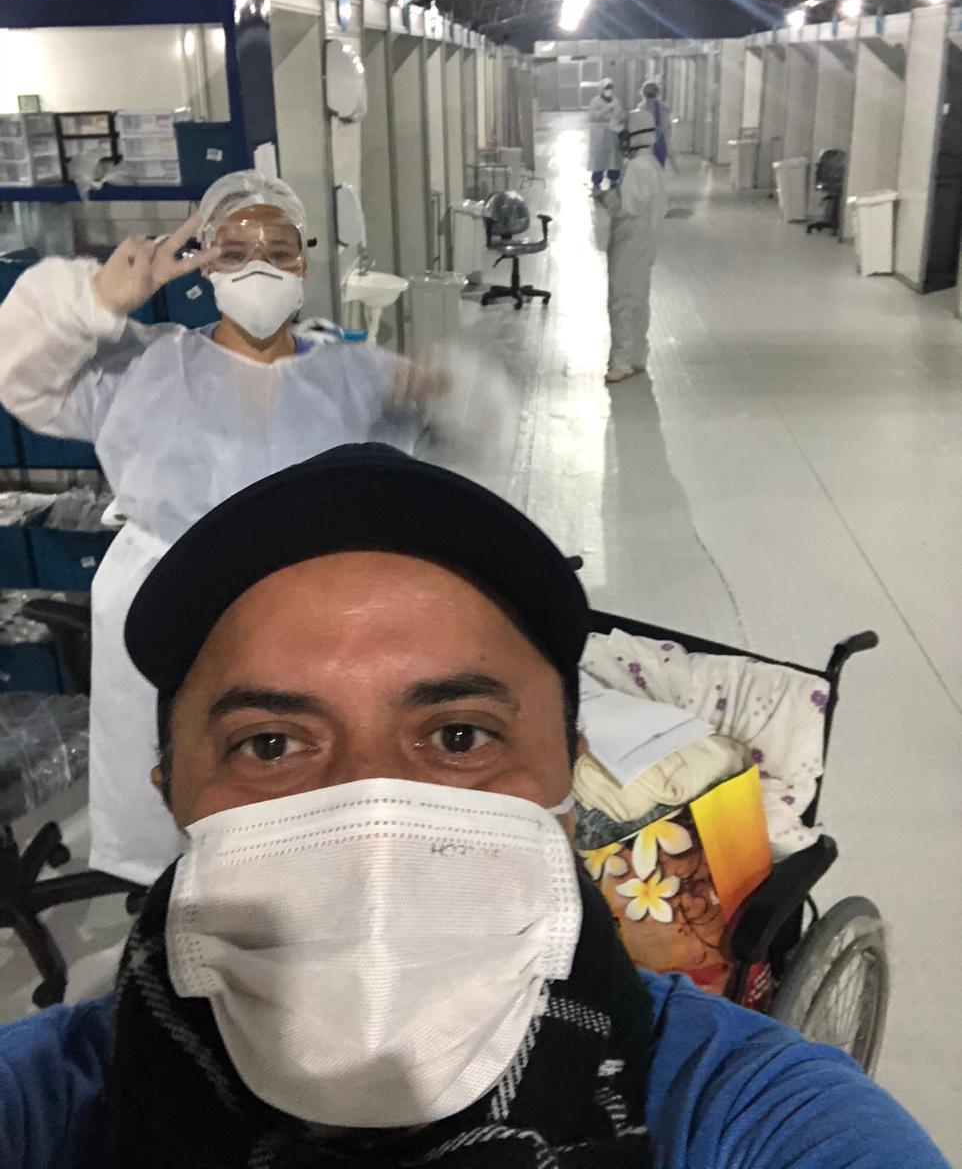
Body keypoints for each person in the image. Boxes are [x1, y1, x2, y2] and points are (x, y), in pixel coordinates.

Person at [0, 443, 948, 1169]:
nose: (372, 814)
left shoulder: (744, 1109)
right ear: (173, 793)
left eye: (459, 737)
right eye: (271, 745)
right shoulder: (43, 1103)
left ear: (567, 782)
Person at [0, 170, 448, 887]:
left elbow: (443, 454)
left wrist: (454, 393)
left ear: (304, 263)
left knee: (299, 786)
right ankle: (175, 904)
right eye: (234, 252)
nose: (258, 267)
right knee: (183, 790)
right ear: (204, 265)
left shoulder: (356, 374)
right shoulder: (141, 363)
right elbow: (20, 376)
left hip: (311, 611)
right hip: (167, 603)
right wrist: (94, 302)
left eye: (278, 249)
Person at [605, 110, 668, 384]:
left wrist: (606, 198)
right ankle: (638, 355)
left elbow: (625, 208)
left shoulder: (637, 168)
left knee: (621, 299)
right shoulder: (651, 164)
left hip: (630, 239)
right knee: (638, 297)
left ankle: (621, 362)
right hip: (645, 239)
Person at [587, 77, 624, 192]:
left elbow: (619, 114)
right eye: (606, 88)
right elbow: (593, 116)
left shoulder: (616, 101)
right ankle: (596, 181)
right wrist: (608, 109)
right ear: (601, 89)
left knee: (613, 158)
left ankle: (614, 180)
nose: (608, 90)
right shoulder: (595, 101)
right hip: (599, 134)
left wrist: (617, 119)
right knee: (599, 158)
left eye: (610, 88)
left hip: (613, 133)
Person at [640, 79, 677, 172]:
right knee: (660, 166)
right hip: (661, 139)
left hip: (647, 140)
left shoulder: (642, 107)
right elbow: (667, 124)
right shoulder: (662, 106)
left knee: (648, 166)